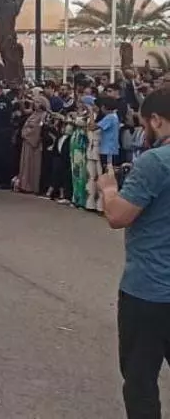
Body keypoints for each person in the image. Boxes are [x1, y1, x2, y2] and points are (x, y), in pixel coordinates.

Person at [98, 88, 170, 419]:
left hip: (149, 290)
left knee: (140, 381)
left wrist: (109, 189)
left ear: (156, 120)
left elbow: (118, 216)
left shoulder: (155, 162)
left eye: (144, 125)